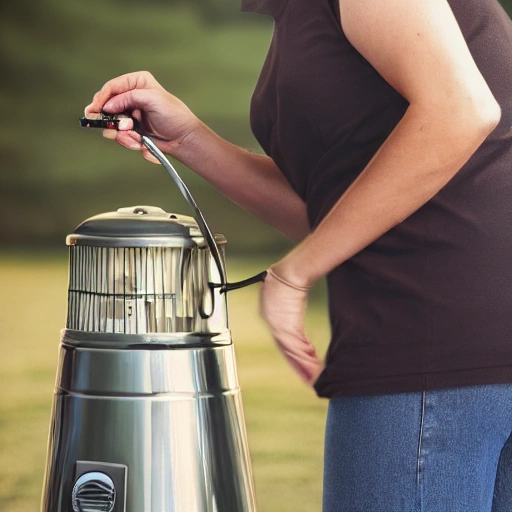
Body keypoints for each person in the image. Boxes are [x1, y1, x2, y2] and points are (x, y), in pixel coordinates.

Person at [85, 0, 512, 509]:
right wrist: (190, 140)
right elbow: (336, 220)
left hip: (428, 347)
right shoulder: (300, 17)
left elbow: (462, 110)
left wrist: (295, 276)